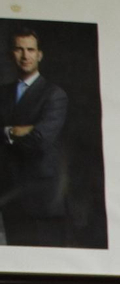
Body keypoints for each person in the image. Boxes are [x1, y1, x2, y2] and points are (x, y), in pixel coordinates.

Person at [0, 26, 68, 246]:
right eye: (19, 49)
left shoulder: (54, 94)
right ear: (11, 54)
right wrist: (13, 131)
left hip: (42, 198)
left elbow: (40, 139)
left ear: (39, 54)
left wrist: (8, 135)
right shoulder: (2, 93)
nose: (25, 55)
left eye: (30, 49)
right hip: (10, 194)